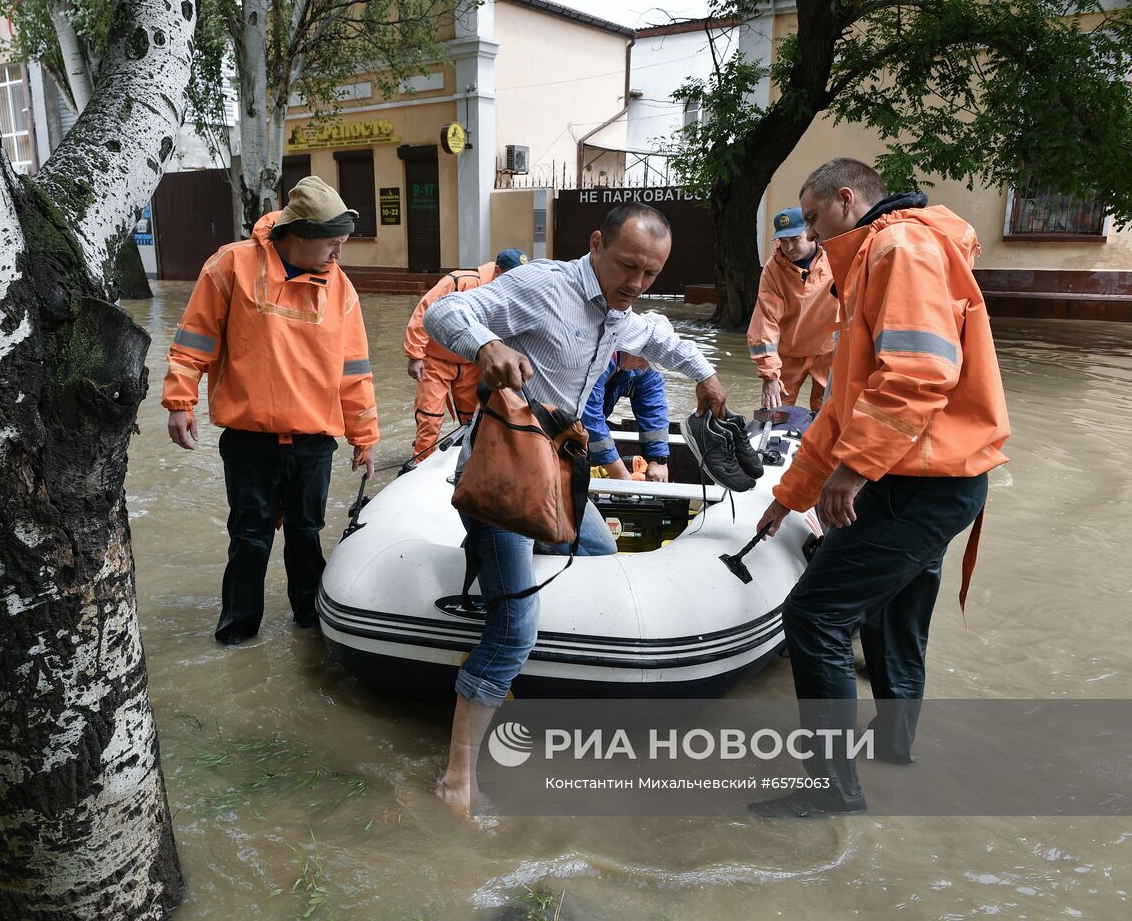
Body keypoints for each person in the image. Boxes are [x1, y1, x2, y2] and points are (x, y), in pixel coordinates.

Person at [422, 203, 731, 816]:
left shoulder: (624, 316)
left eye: (650, 273)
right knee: (514, 630)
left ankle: (543, 690)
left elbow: (663, 339)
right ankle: (457, 779)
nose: (635, 284)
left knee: (602, 559)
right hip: (504, 474)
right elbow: (443, 311)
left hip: (560, 472)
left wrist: (707, 377)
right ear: (596, 244)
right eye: (626, 267)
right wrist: (485, 345)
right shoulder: (542, 287)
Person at [751, 158, 1010, 818]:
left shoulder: (896, 246)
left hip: (915, 480)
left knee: (815, 616)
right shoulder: (885, 254)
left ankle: (833, 790)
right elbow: (842, 407)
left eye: (811, 218)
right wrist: (791, 493)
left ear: (845, 200)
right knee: (896, 608)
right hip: (934, 476)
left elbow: (918, 375)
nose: (806, 234)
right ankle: (893, 747)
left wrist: (851, 471)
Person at [162, 176, 379, 646]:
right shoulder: (231, 265)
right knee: (249, 539)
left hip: (313, 443)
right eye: (332, 245)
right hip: (249, 442)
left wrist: (364, 437)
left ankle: (310, 626)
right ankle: (237, 635)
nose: (338, 256)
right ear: (297, 235)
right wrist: (180, 400)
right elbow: (194, 340)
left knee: (307, 536)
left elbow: (355, 371)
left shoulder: (340, 289)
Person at [404, 248, 529, 460]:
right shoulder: (460, 281)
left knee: (473, 418)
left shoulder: (511, 293)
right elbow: (424, 310)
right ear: (498, 271)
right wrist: (415, 354)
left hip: (471, 362)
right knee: (430, 416)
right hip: (436, 360)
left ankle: (470, 462)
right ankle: (420, 462)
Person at [747, 207, 838, 410]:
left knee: (829, 411)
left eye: (794, 239)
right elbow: (765, 322)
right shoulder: (773, 269)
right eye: (782, 241)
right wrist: (769, 375)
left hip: (827, 351)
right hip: (788, 353)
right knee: (776, 411)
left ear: (811, 232)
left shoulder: (835, 254)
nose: (788, 247)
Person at [583, 342, 671, 482]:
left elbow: (653, 407)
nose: (644, 367)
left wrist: (658, 460)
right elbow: (588, 416)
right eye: (643, 360)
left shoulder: (643, 364)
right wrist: (618, 472)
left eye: (650, 363)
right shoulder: (596, 357)